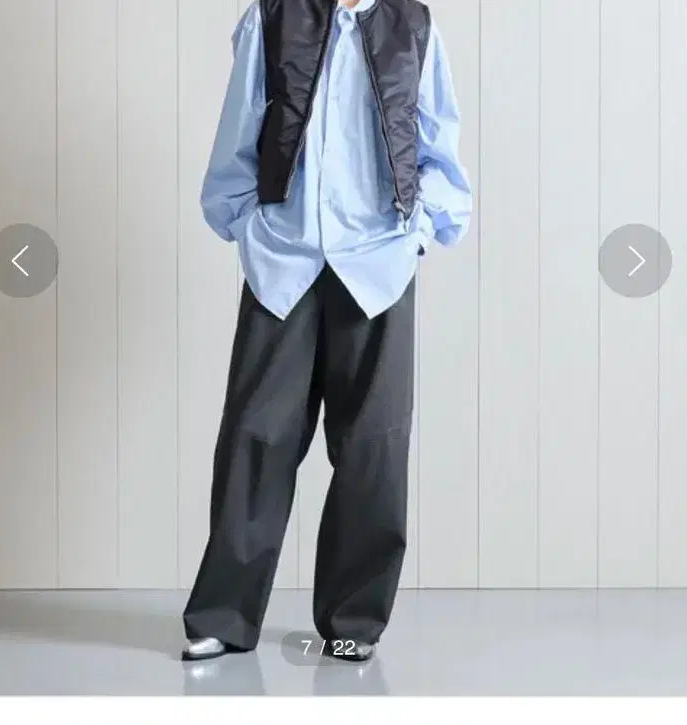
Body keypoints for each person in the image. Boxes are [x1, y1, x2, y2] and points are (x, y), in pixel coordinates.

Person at [182, 0, 471, 663]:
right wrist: (246, 225)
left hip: (377, 263)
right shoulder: (271, 16)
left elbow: (437, 135)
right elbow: (240, 124)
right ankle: (224, 615)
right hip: (284, 258)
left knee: (374, 447)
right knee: (255, 437)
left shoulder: (413, 24)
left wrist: (419, 231)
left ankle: (353, 621)